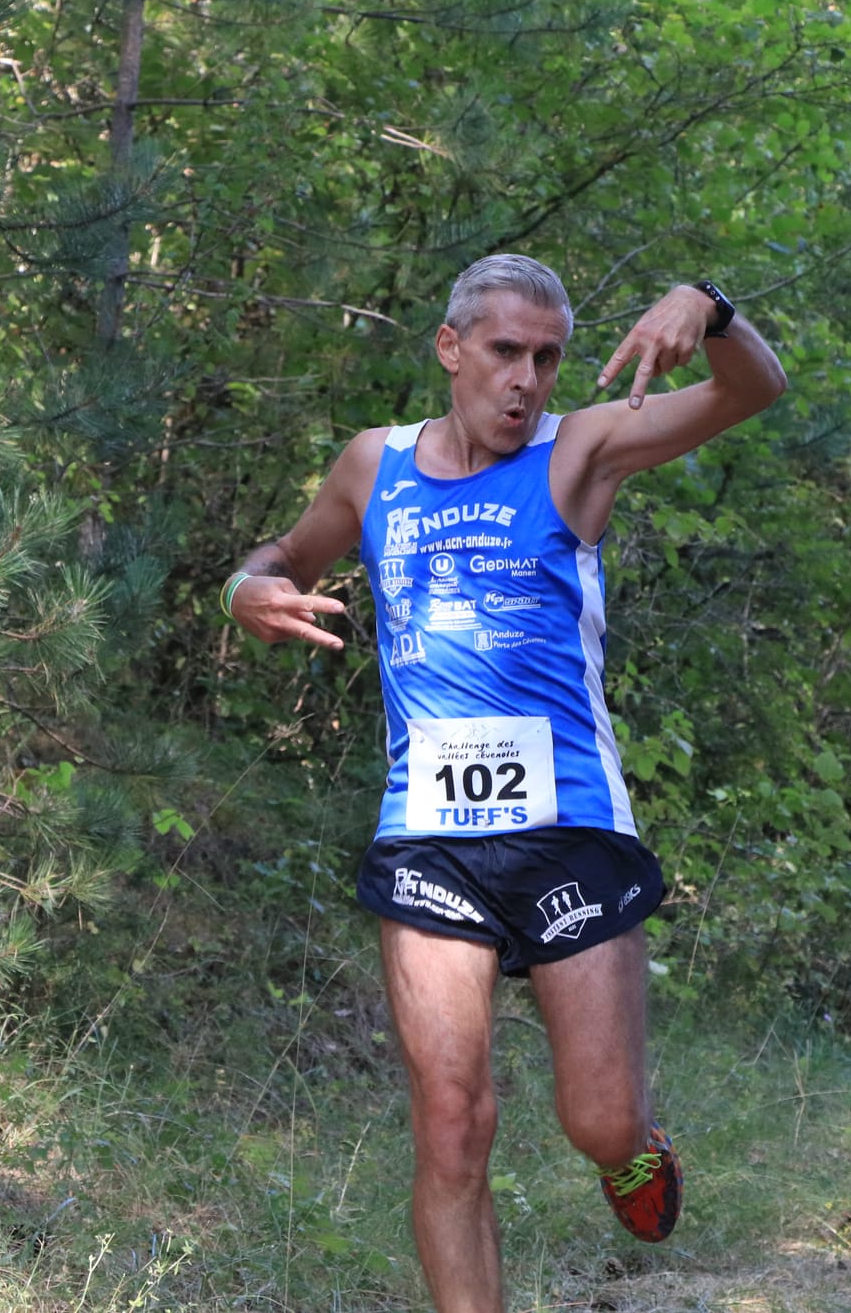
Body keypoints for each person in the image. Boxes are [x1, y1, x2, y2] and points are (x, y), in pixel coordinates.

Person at [221, 254, 785, 1312]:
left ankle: (631, 1148)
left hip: (569, 824)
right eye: (503, 352)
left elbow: (754, 390)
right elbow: (283, 557)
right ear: (449, 348)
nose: (525, 379)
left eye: (546, 357)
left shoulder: (581, 448)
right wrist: (242, 590)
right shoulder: (371, 466)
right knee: (450, 1118)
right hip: (426, 831)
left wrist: (707, 308)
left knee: (599, 1119)